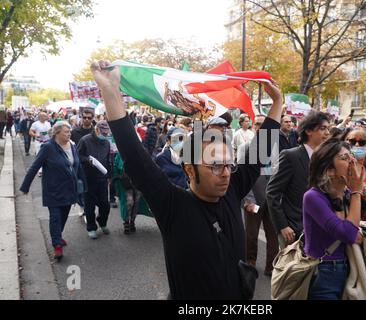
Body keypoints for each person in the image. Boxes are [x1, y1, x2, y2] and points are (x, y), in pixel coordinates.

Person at [91, 60, 282, 300]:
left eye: (228, 164)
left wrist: (277, 103)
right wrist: (110, 91)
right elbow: (135, 156)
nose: (225, 173)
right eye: (214, 166)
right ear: (190, 170)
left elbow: (259, 151)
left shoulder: (231, 188)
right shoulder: (172, 205)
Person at [303, 138, 364, 300]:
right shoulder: (312, 197)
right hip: (323, 271)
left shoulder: (344, 194)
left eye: (350, 156)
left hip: (346, 267)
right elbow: (349, 234)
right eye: (344, 158)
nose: (352, 161)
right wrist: (357, 192)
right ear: (329, 170)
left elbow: (354, 231)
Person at [19, 121, 86, 260]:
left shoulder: (72, 146)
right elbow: (34, 167)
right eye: (66, 132)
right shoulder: (48, 147)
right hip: (53, 190)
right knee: (55, 217)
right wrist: (25, 186)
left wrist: (83, 184)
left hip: (69, 189)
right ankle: (57, 245)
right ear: (56, 133)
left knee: (63, 216)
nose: (69, 134)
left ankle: (57, 235)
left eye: (70, 132)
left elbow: (77, 166)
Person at [266, 111, 331, 248]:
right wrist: (282, 226)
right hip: (294, 230)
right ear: (308, 131)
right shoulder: (291, 156)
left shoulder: (327, 158)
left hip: (321, 227)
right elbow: (272, 192)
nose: (327, 133)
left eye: (328, 129)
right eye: (322, 128)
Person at [242, 115, 278, 277]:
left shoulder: (276, 148)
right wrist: (248, 200)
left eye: (264, 124)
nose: (260, 127)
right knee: (251, 235)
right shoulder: (245, 147)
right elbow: (241, 177)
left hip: (272, 201)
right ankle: (250, 263)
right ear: (252, 126)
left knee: (273, 236)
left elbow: (279, 175)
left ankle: (271, 266)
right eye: (257, 124)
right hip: (254, 199)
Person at [77, 120, 112, 239]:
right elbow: (78, 156)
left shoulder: (106, 142)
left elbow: (108, 159)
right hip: (88, 177)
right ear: (97, 130)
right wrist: (88, 160)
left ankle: (102, 222)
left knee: (105, 204)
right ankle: (91, 227)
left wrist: (109, 175)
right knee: (89, 205)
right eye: (103, 133)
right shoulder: (85, 140)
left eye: (107, 134)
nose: (105, 135)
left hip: (102, 178)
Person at [29, 112, 52, 176]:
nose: (46, 117)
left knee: (48, 156)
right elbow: (30, 132)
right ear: (40, 117)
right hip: (39, 142)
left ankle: (48, 169)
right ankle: (40, 171)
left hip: (48, 142)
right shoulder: (35, 124)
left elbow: (50, 131)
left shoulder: (48, 123)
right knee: (40, 156)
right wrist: (35, 135)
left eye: (46, 116)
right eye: (44, 116)